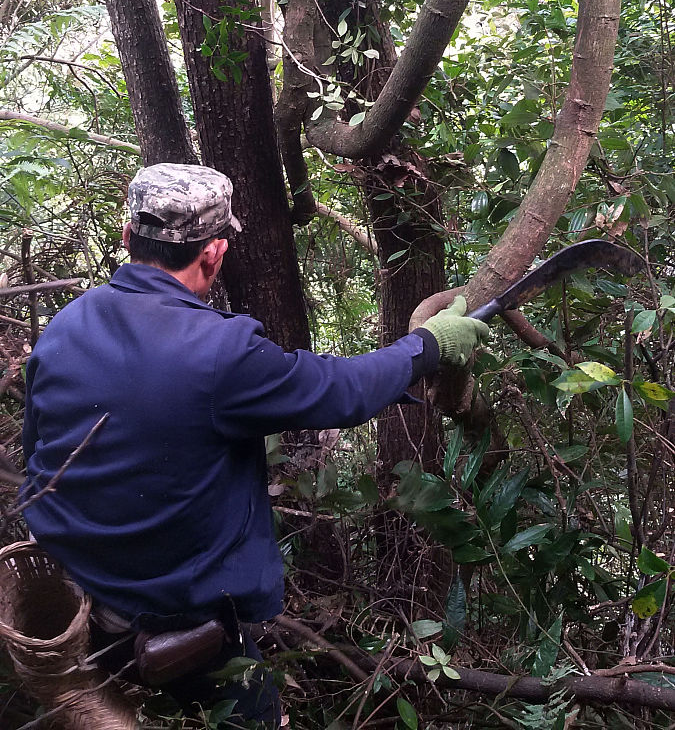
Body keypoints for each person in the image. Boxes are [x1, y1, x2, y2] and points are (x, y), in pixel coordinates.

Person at [22, 163, 489, 726]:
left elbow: (37, 456)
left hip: (73, 599)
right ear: (214, 253)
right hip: (171, 621)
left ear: (127, 237)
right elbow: (339, 390)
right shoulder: (217, 351)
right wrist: (428, 346)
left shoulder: (65, 325)